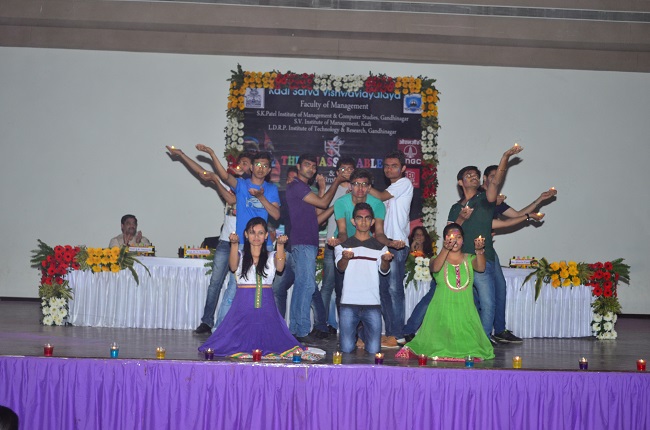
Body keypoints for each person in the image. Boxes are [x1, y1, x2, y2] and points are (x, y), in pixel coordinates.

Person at [166, 145, 253, 334]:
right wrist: (182, 155)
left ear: (252, 168)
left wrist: (216, 180)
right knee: (215, 283)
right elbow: (203, 173)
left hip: (242, 244)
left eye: (245, 163)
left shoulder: (252, 188)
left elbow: (231, 200)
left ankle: (229, 323)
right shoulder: (231, 183)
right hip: (225, 242)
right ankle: (207, 321)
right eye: (240, 163)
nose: (241, 166)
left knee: (235, 286)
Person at [447, 145, 523, 341]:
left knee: (488, 302)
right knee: (465, 303)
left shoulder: (485, 199)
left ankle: (484, 340)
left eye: (476, 175)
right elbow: (449, 235)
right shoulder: (455, 208)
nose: (474, 177)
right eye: (469, 175)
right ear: (460, 182)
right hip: (461, 261)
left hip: (483, 258)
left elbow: (496, 181)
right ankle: (464, 337)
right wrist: (461, 219)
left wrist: (505, 157)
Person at [198, 217, 301, 357]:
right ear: (246, 235)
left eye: (260, 233)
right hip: (243, 305)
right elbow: (232, 266)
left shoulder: (272, 256)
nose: (256, 236)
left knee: (275, 342)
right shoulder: (240, 255)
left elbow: (280, 268)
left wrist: (281, 246)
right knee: (230, 342)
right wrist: (234, 244)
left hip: (266, 305)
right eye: (252, 232)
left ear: (266, 236)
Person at [481, 164, 557, 343]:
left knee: (500, 287)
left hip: (488, 249)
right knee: (482, 293)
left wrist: (539, 200)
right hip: (474, 249)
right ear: (485, 178)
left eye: (498, 176)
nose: (496, 179)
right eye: (492, 176)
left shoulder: (496, 200)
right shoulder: (478, 195)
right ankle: (482, 333)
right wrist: (491, 202)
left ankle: (500, 330)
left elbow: (517, 215)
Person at [396, 223, 494, 360]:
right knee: (435, 345)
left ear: (463, 240)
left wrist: (479, 250)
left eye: (459, 237)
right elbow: (435, 268)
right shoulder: (436, 259)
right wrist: (445, 249)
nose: (455, 241)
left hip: (465, 311)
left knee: (472, 347)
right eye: (451, 237)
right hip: (441, 311)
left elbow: (481, 267)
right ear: (445, 239)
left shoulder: (469, 258)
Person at [277, 154, 344, 343]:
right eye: (307, 165)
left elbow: (318, 217)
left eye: (314, 166)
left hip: (306, 241)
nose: (311, 169)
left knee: (302, 286)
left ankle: (296, 329)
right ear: (298, 167)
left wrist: (334, 203)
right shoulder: (297, 186)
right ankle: (301, 329)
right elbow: (322, 203)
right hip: (302, 242)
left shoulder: (305, 188)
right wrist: (337, 181)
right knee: (306, 286)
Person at [333, 203, 392, 354]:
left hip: (372, 303)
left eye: (367, 218)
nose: (363, 222)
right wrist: (345, 258)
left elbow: (384, 271)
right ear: (353, 221)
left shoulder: (381, 247)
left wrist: (385, 261)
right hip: (349, 302)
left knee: (374, 350)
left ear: (373, 222)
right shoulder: (342, 246)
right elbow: (340, 268)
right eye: (359, 218)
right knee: (346, 348)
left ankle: (361, 333)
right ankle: (359, 333)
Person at [369, 151, 412, 347]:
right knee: (383, 290)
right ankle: (390, 333)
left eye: (394, 165)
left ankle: (398, 334)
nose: (389, 169)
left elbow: (379, 195)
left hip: (398, 244)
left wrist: (362, 185)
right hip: (385, 244)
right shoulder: (391, 188)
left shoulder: (404, 183)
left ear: (403, 168)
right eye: (386, 165)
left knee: (394, 290)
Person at [319, 157, 355, 333]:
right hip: (332, 244)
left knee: (349, 288)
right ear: (336, 172)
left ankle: (348, 326)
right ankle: (321, 324)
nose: (346, 172)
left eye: (350, 169)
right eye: (343, 169)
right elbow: (320, 219)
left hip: (353, 245)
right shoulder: (331, 190)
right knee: (327, 286)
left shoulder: (359, 190)